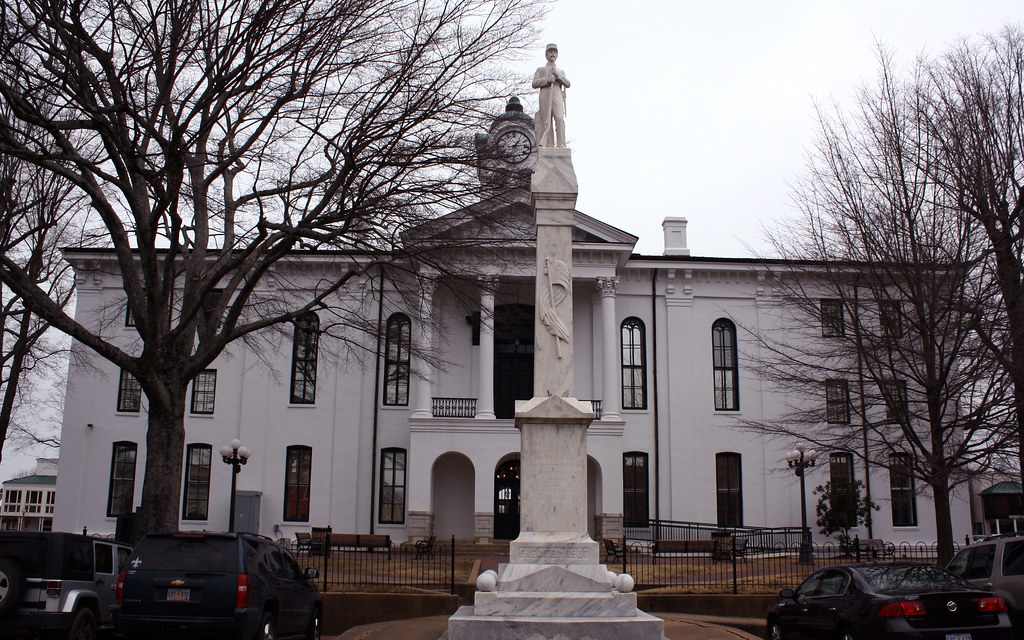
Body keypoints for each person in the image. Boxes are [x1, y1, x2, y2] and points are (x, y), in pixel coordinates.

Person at [532, 43, 570, 148]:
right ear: (546, 54)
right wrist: (547, 81)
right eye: (550, 52)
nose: (552, 54)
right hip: (545, 92)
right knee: (546, 120)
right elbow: (534, 83)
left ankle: (561, 144)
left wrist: (558, 78)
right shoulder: (540, 70)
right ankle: (549, 144)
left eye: (555, 52)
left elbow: (568, 84)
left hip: (557, 91)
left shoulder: (560, 71)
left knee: (559, 118)